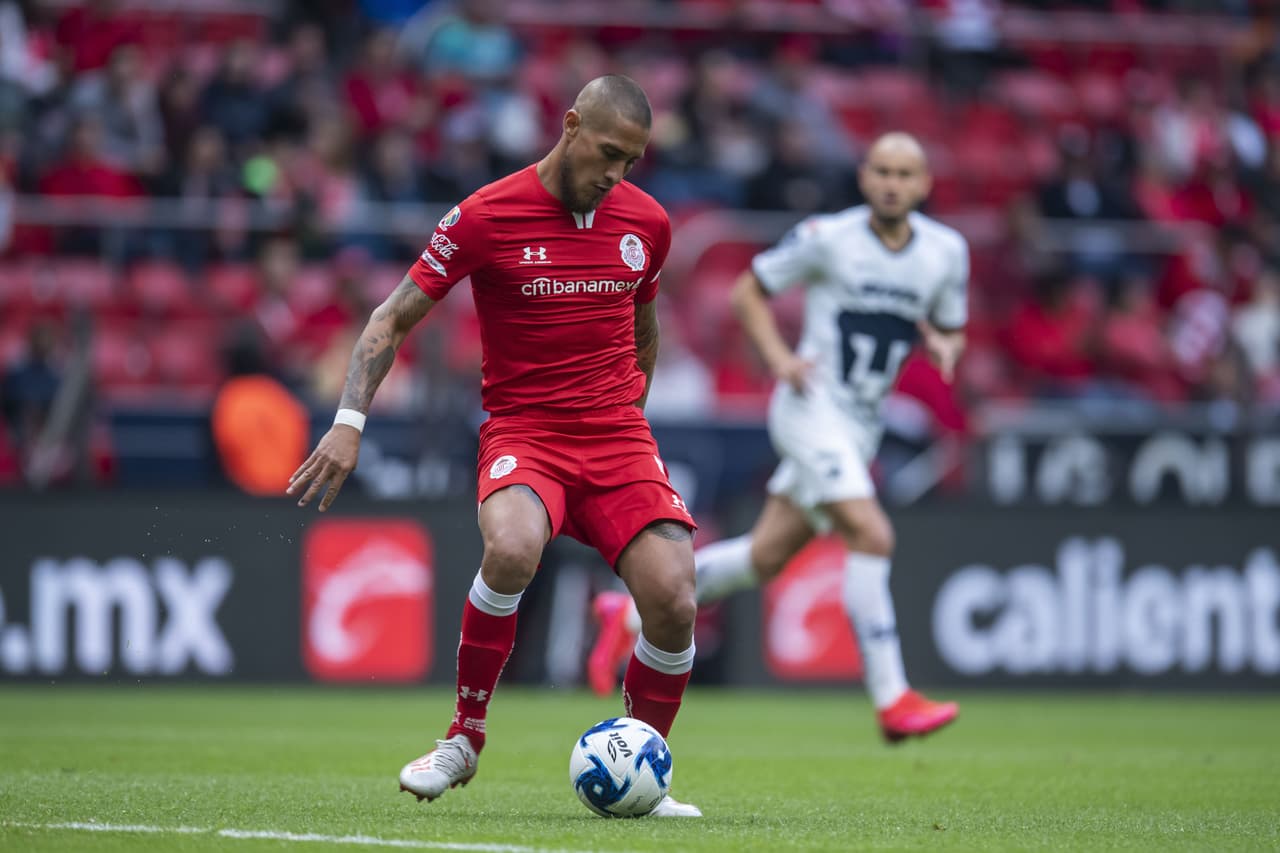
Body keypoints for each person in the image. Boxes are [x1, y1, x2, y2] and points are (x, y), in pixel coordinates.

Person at [286, 75, 702, 817]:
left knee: (674, 597)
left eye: (631, 161)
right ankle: (463, 737)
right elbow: (392, 317)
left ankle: (645, 766)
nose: (616, 173)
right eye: (608, 152)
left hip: (616, 434)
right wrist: (349, 423)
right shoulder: (485, 214)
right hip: (527, 432)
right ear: (571, 125)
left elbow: (645, 330)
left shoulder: (648, 223)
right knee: (511, 548)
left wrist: (630, 425)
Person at [589, 132, 967, 743]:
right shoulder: (828, 238)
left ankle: (626, 611)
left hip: (860, 426)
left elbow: (950, 324)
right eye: (882, 172)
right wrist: (779, 359)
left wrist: (947, 344)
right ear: (865, 178)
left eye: (905, 174)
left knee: (764, 557)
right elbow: (749, 291)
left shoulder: (946, 253)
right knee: (871, 532)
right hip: (810, 410)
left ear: (923, 184)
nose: (892, 184)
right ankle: (892, 698)